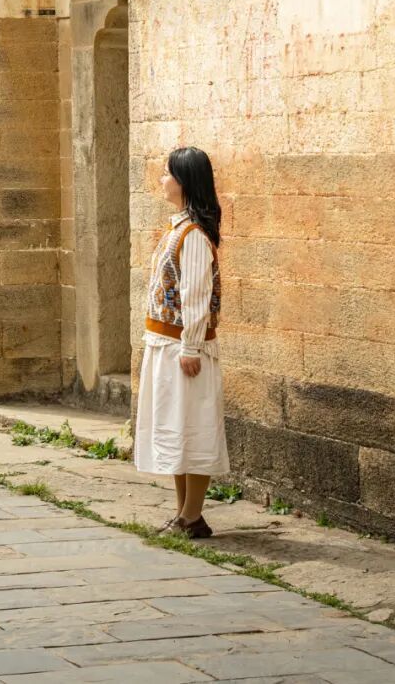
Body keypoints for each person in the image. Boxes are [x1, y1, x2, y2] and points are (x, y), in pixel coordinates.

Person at [133, 146, 229, 538]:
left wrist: (191, 346)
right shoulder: (178, 229)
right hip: (166, 345)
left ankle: (192, 515)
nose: (162, 180)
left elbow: (195, 295)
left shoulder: (193, 237)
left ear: (185, 181)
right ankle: (184, 515)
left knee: (194, 429)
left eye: (167, 173)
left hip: (184, 349)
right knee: (176, 429)